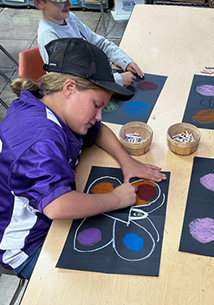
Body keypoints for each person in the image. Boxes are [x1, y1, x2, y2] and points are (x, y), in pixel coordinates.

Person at [0, 38, 166, 280]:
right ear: (69, 88)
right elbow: (58, 206)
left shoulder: (56, 106)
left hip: (49, 219)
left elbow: (99, 131)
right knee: (104, 281)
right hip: (28, 245)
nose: (99, 117)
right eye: (96, 105)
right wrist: (114, 198)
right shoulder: (40, 139)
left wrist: (127, 161)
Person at [33, 0, 144, 88]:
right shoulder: (49, 36)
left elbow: (98, 43)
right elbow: (70, 81)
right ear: (39, 3)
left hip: (94, 76)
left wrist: (124, 60)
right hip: (78, 94)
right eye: (60, 1)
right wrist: (116, 80)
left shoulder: (70, 18)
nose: (69, 3)